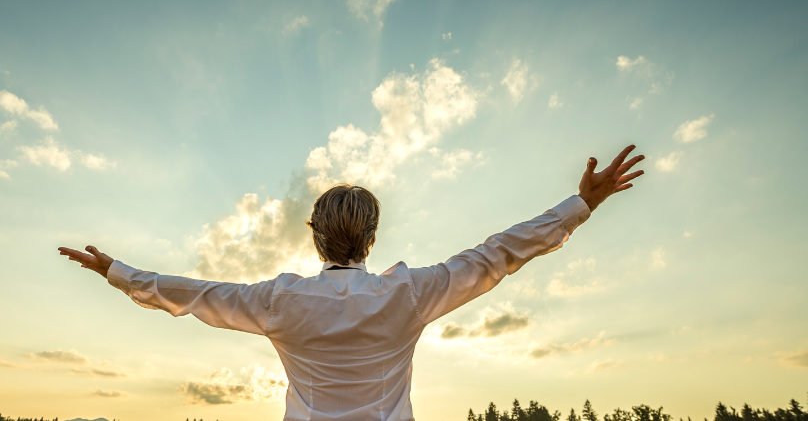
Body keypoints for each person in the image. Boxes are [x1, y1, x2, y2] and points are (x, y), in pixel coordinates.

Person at [59, 145, 644, 421]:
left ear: (315, 236)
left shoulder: (278, 302)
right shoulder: (409, 293)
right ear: (372, 238)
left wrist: (118, 272)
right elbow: (498, 256)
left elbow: (192, 294)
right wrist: (578, 206)